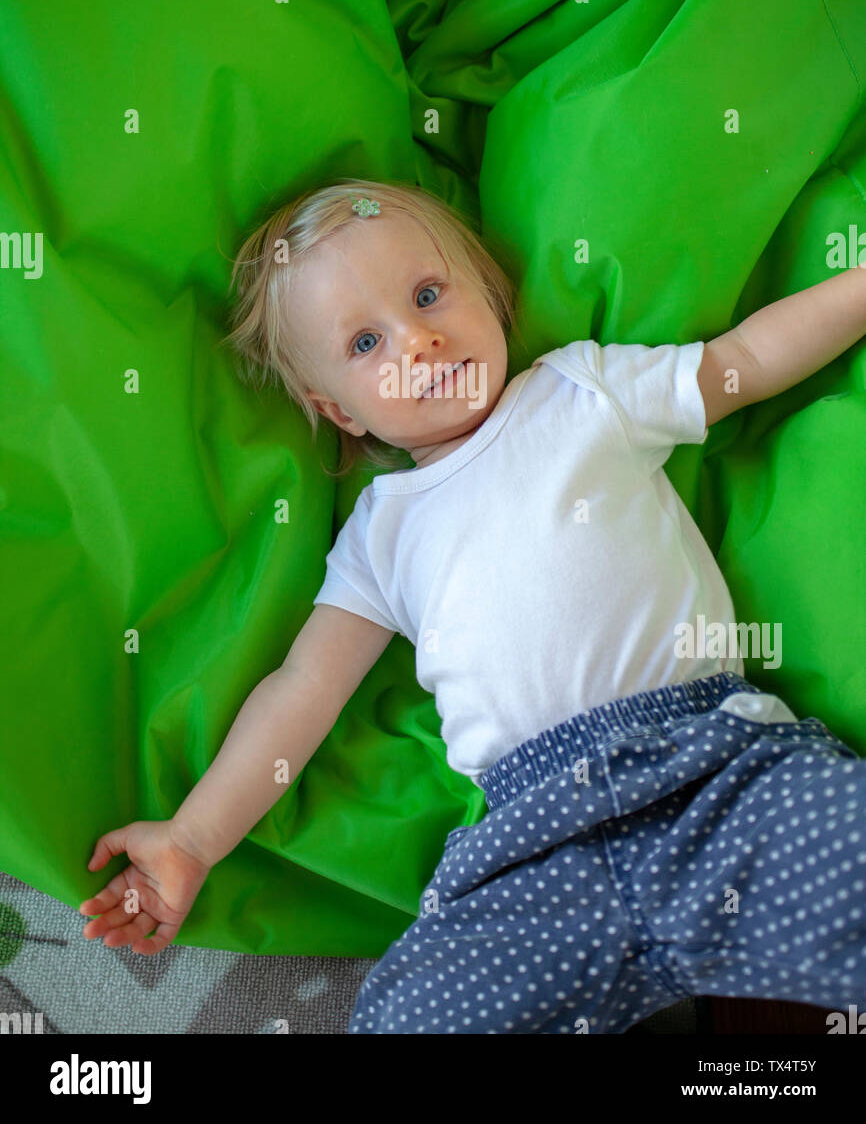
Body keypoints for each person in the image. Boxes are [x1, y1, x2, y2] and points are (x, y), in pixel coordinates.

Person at [79, 178, 866, 1034]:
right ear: (338, 410)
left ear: (486, 290)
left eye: (427, 294)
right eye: (368, 341)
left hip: (713, 773)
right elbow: (302, 689)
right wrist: (193, 839)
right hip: (535, 847)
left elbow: (739, 361)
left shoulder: (582, 394)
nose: (418, 339)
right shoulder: (383, 534)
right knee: (404, 1017)